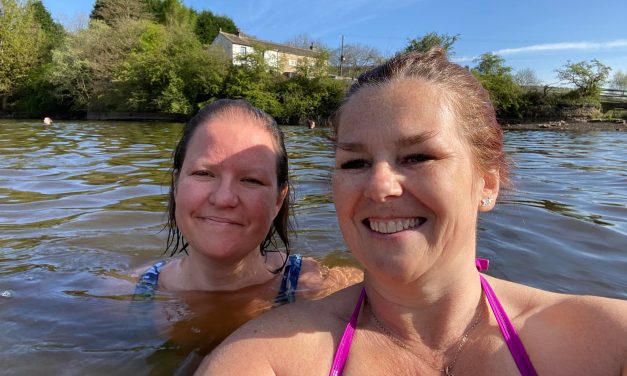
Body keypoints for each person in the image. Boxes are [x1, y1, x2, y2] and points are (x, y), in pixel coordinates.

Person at [196, 50, 627, 375]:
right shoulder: (266, 359)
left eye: (418, 156)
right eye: (355, 163)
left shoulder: (607, 343)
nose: (380, 186)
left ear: (488, 183)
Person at [132, 99, 362, 371]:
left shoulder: (322, 289)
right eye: (204, 173)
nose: (224, 198)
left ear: (279, 199)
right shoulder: (134, 294)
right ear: (176, 185)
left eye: (251, 180)